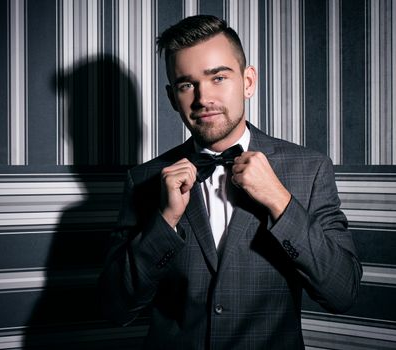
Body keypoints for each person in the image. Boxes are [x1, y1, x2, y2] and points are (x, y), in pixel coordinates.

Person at [98, 15, 362, 349]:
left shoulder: (309, 170)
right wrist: (165, 221)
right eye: (185, 84)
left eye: (218, 77)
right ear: (171, 97)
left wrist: (280, 201)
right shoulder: (144, 181)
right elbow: (115, 309)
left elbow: (343, 293)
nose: (202, 98)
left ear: (248, 81)